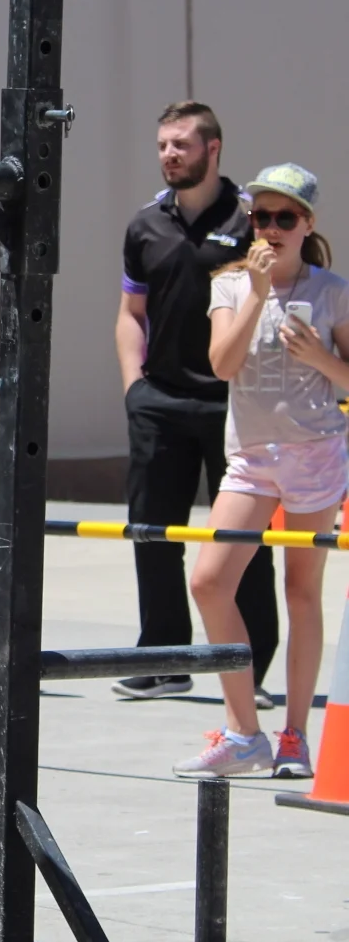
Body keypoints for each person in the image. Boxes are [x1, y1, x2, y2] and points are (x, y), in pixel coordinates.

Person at [174, 165, 348, 778]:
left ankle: (296, 734)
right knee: (210, 581)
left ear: (307, 225)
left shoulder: (332, 292)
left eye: (284, 218)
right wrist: (254, 293)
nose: (270, 229)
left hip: (316, 455)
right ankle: (245, 732)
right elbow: (221, 365)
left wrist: (321, 358)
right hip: (250, 458)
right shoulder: (229, 286)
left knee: (302, 592)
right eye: (260, 217)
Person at [115, 101, 279, 704]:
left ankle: (250, 668)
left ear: (214, 150)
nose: (169, 155)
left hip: (235, 404)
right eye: (163, 145)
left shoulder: (252, 222)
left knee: (243, 542)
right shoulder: (145, 226)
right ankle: (163, 659)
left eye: (182, 144)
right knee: (153, 531)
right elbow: (132, 313)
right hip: (160, 400)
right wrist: (135, 387)